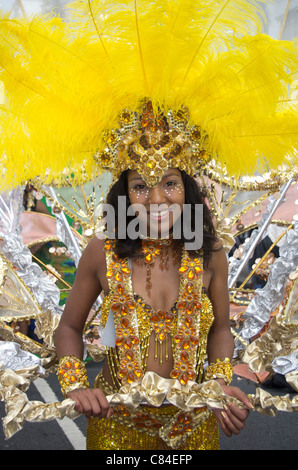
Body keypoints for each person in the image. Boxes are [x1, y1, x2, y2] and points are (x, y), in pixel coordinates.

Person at [54, 104, 252, 450]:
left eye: (169, 182)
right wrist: (75, 386)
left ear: (186, 187)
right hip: (115, 429)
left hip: (192, 429)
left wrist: (219, 382)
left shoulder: (209, 253)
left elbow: (221, 330)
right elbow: (69, 328)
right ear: (125, 194)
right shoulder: (102, 252)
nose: (157, 198)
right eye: (141, 185)